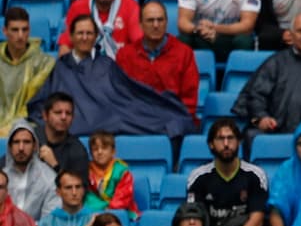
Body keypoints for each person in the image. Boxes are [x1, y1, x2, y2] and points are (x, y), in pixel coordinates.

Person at [31, 16, 196, 140]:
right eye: (80, 33)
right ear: (72, 37)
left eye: (89, 33)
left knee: (167, 117)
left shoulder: (107, 64)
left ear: (96, 36)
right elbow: (43, 100)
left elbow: (127, 93)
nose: (84, 37)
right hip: (74, 120)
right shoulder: (60, 67)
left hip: (109, 116)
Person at [185, 118, 271, 226]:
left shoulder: (255, 175)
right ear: (211, 144)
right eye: (220, 139)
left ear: (239, 142)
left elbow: (257, 221)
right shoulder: (198, 177)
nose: (226, 144)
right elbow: (198, 219)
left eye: (230, 138)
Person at [234, 13, 301, 139]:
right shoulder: (275, 63)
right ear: (290, 35)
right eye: (300, 31)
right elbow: (256, 96)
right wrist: (262, 117)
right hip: (277, 131)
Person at [116, 1, 200, 121]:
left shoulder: (184, 53)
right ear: (140, 24)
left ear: (166, 23)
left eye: (160, 20)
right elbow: (121, 96)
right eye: (150, 20)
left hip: (173, 119)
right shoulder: (125, 55)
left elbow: (189, 100)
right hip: (136, 120)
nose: (156, 25)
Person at [57, 0, 141, 59]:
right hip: (86, 67)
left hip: (120, 67)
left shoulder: (130, 6)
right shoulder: (78, 7)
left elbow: (139, 45)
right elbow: (65, 46)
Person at [0, 7, 56, 138]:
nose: (20, 35)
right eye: (15, 30)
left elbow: (41, 107)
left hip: (30, 129)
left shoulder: (44, 63)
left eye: (24, 30)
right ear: (5, 32)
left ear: (29, 31)